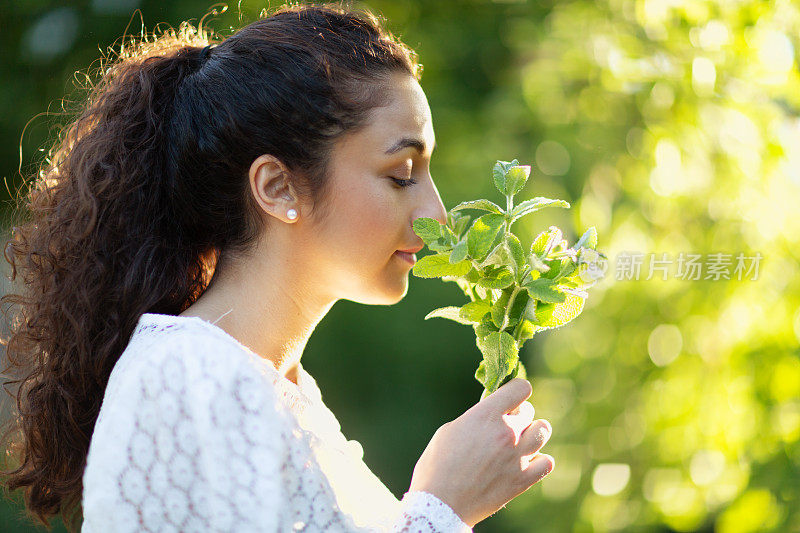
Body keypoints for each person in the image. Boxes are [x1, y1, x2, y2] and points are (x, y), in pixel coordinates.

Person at [0, 3, 555, 531]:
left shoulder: (280, 392)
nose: (436, 212)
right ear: (276, 186)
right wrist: (442, 507)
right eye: (401, 173)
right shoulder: (188, 375)